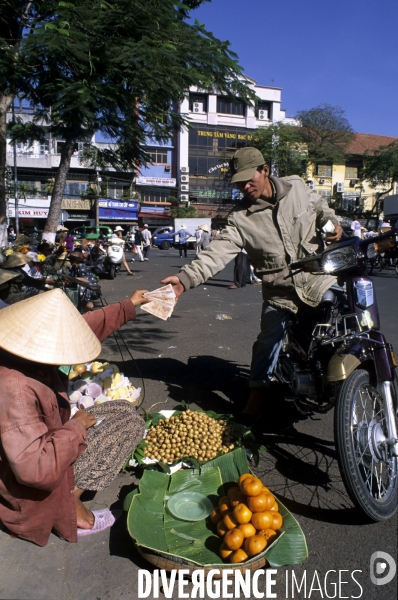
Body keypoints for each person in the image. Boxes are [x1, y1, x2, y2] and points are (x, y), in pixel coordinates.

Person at [161, 147, 343, 418]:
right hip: (280, 291)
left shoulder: (297, 188)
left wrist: (332, 223)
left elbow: (320, 207)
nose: (245, 187)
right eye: (239, 183)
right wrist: (184, 280)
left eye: (249, 179)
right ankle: (256, 395)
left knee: (346, 315)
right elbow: (218, 251)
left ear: (265, 171)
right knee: (267, 342)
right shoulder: (239, 219)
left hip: (317, 278)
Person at [0, 287, 150, 546]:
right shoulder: (15, 389)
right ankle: (70, 502)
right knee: (129, 425)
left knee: (123, 410)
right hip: (31, 483)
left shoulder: (20, 348)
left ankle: (72, 488)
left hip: (50, 438)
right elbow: (34, 469)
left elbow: (86, 327)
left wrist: (129, 305)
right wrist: (75, 429)